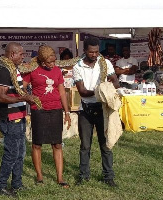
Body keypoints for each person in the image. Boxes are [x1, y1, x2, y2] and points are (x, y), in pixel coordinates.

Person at [73, 36, 120, 187]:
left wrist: (111, 88)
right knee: (85, 146)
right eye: (91, 52)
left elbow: (115, 80)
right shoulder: (77, 67)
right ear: (85, 51)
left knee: (106, 144)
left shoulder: (105, 63)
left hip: (102, 109)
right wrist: (100, 90)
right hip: (86, 110)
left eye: (96, 51)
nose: (94, 55)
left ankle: (108, 176)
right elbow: (82, 91)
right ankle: (83, 175)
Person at [22, 45, 71, 188]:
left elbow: (62, 92)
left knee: (57, 144)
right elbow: (23, 86)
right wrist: (28, 96)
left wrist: (67, 112)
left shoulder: (57, 71)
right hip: (38, 110)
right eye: (50, 62)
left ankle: (60, 178)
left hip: (55, 110)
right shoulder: (32, 69)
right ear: (42, 61)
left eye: (54, 61)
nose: (53, 64)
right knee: (37, 144)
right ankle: (39, 175)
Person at [0, 42, 35, 197]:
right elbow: (1, 96)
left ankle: (17, 184)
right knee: (11, 153)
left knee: (20, 153)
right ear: (12, 54)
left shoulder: (15, 70)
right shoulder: (5, 70)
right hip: (10, 118)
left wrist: (26, 98)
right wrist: (23, 97)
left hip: (19, 116)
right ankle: (1, 186)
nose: (23, 57)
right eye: (21, 54)